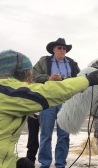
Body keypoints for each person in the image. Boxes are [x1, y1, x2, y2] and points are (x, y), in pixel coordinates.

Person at [0, 50, 98, 168]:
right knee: (46, 134)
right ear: (18, 73)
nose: (31, 80)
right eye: (29, 74)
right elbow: (49, 92)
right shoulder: (6, 91)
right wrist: (86, 80)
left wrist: (14, 162)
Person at [33, 38, 80, 168]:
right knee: (45, 134)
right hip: (48, 101)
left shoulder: (72, 63)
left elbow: (79, 80)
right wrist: (48, 78)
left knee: (64, 135)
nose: (62, 50)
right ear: (53, 49)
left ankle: (60, 164)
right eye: (59, 48)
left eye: (64, 48)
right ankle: (45, 164)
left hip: (66, 103)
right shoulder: (44, 61)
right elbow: (33, 76)